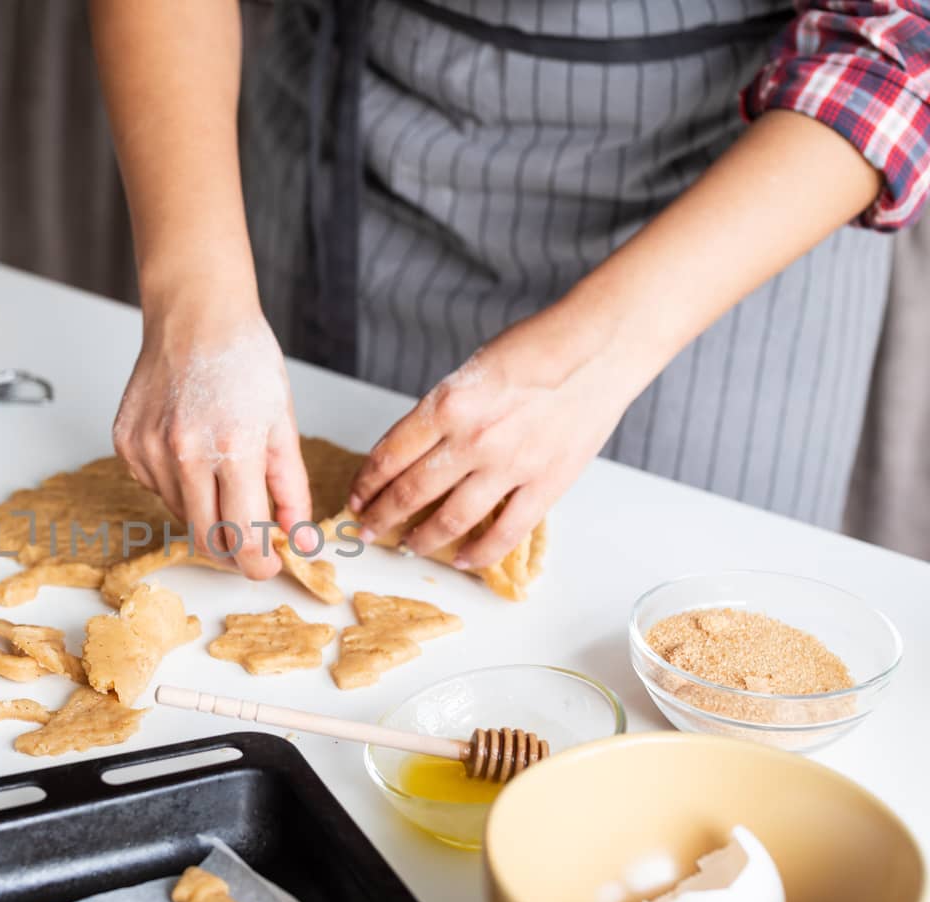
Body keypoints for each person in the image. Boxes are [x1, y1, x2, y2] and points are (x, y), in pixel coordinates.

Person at [89, 0, 930, 580]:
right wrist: (197, 296)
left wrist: (598, 354)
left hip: (725, 207)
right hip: (346, 134)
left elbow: (901, 41)